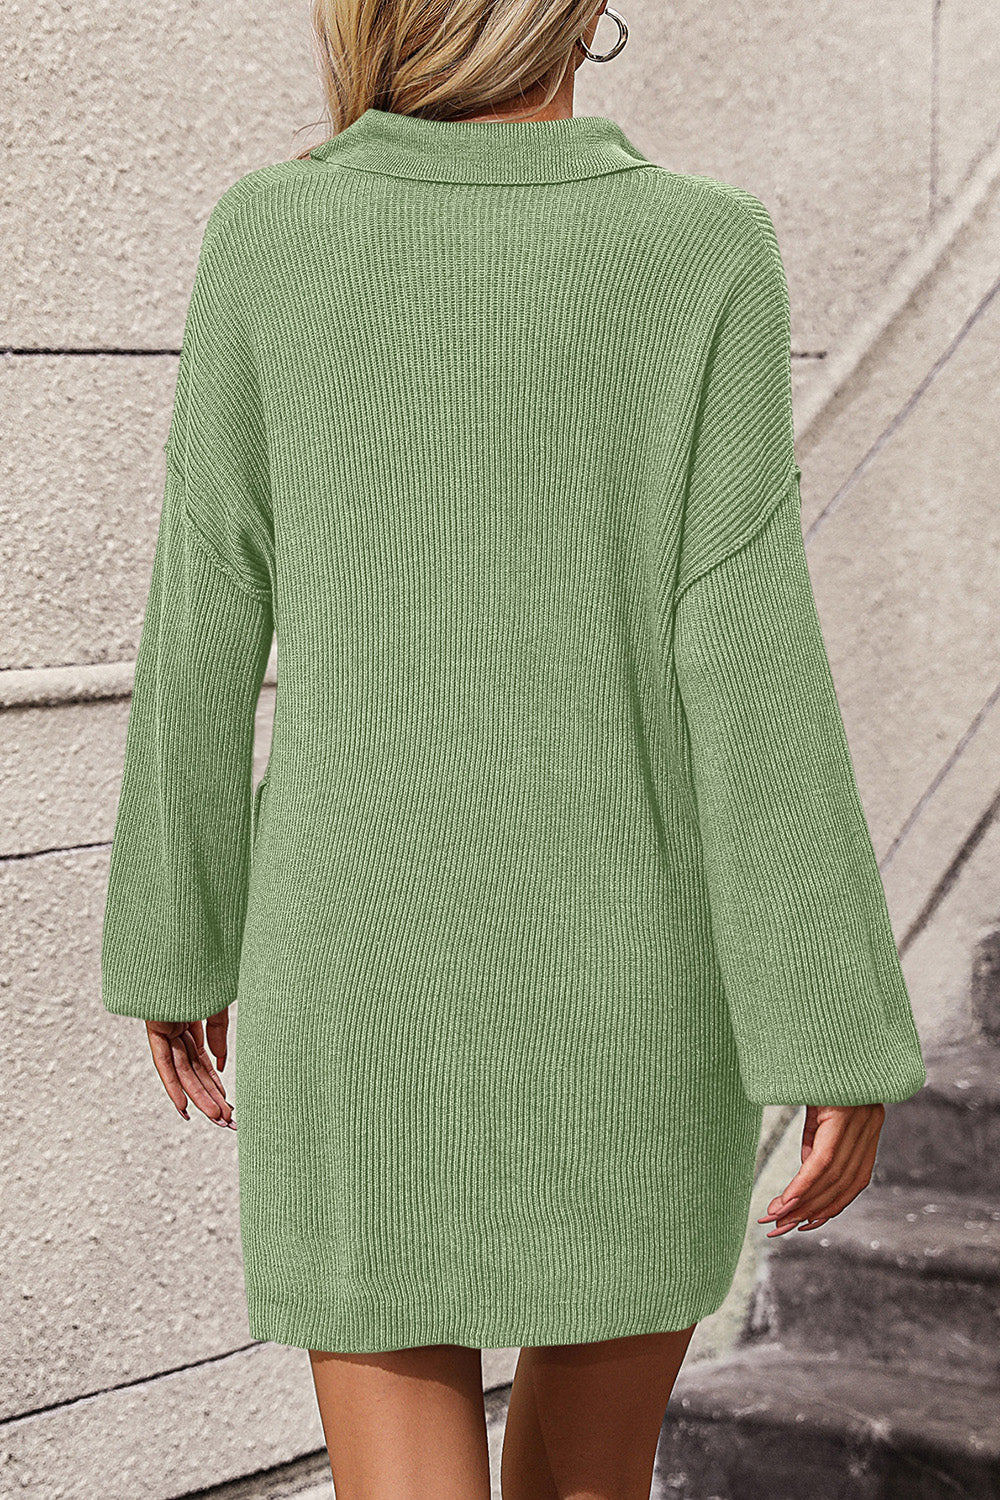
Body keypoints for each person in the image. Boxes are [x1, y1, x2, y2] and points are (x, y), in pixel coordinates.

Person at [100, 2, 928, 1496]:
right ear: (585, 13)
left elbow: (204, 608)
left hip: (357, 965)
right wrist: (827, 1023)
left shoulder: (274, 234)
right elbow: (748, 654)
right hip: (631, 979)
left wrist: (178, 936)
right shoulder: (700, 246)